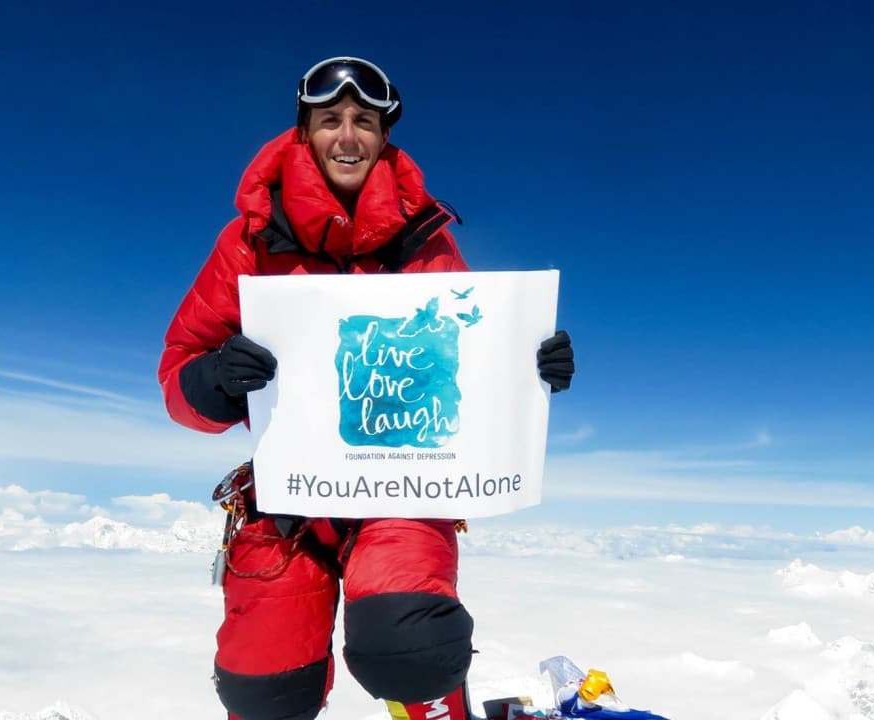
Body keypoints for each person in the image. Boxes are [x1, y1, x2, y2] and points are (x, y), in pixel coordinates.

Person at [158, 56, 575, 720]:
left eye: (364, 121)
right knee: (263, 687)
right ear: (304, 132)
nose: (348, 136)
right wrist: (214, 381)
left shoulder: (424, 244)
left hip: (402, 483)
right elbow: (180, 372)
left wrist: (532, 364)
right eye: (330, 120)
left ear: (384, 137)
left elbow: (471, 348)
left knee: (410, 643)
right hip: (291, 495)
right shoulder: (248, 244)